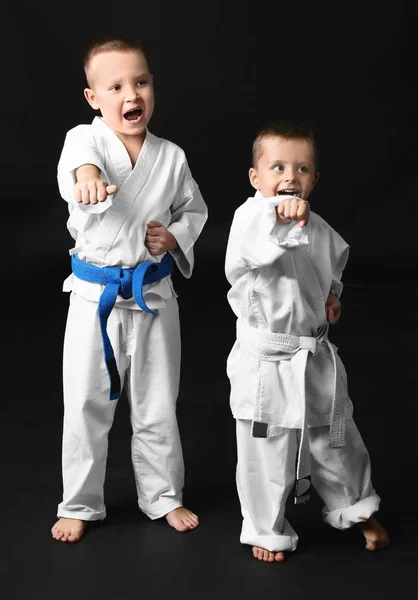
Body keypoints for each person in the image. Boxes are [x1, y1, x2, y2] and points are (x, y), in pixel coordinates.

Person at [51, 35, 208, 543]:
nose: (130, 94)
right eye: (115, 86)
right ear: (93, 97)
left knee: (159, 401)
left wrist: (174, 235)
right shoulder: (85, 140)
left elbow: (194, 211)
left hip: (154, 298)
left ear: (152, 87)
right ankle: (79, 502)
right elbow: (80, 166)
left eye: (139, 82)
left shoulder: (172, 157)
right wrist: (91, 179)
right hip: (94, 298)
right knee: (85, 403)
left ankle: (163, 495)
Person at [225, 120, 389, 562]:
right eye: (277, 167)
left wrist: (331, 298)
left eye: (301, 169)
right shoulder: (250, 220)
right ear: (255, 178)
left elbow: (329, 267)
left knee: (335, 439)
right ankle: (265, 529)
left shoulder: (319, 227)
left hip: (312, 355)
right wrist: (282, 220)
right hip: (267, 362)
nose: (289, 178)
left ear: (314, 179)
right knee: (267, 449)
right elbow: (255, 250)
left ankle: (356, 509)